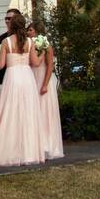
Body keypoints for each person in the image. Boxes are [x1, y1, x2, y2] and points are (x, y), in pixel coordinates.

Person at [0, 14, 44, 167]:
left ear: (12, 26)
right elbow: (36, 63)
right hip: (27, 78)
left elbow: (1, 65)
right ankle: (28, 152)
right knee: (28, 113)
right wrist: (42, 53)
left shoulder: (6, 42)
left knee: (10, 113)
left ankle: (7, 151)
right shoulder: (30, 42)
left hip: (13, 78)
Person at [27, 22, 64, 160]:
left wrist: (45, 84)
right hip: (32, 78)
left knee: (45, 113)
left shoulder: (47, 46)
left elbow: (50, 66)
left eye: (30, 30)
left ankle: (48, 145)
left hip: (43, 78)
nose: (28, 33)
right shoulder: (30, 46)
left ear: (37, 31)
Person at [0, 8, 21, 83]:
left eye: (9, 18)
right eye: (6, 19)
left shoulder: (26, 37)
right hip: (7, 76)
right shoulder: (2, 38)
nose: (7, 21)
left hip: (24, 74)